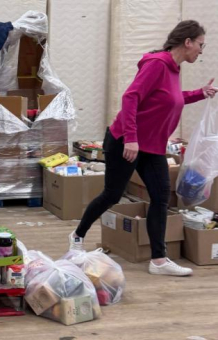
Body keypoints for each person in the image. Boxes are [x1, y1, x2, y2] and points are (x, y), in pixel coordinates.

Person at [69, 20, 217, 276]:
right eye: (201, 45)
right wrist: (131, 138)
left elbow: (170, 99)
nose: (202, 51)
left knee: (160, 197)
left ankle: (158, 260)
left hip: (152, 147)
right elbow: (131, 97)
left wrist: (200, 93)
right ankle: (77, 236)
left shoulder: (174, 68)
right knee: (112, 194)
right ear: (188, 42)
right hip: (126, 142)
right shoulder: (157, 64)